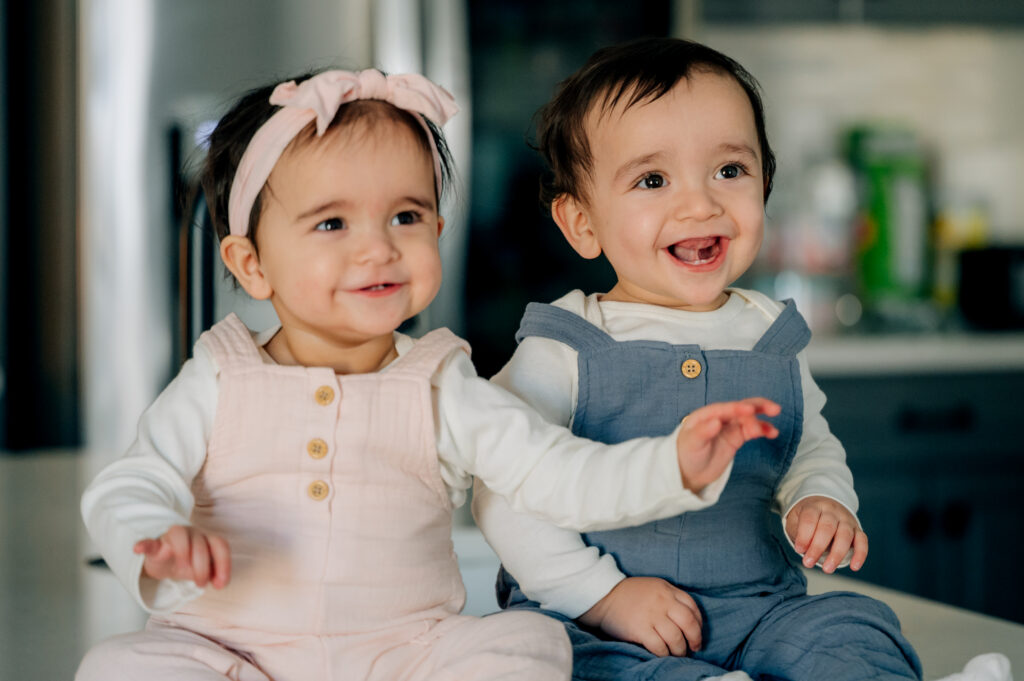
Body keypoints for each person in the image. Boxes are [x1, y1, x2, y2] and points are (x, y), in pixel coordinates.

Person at [75, 67, 783, 681]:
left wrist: (673, 465)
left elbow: (561, 475)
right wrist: (155, 535)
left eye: (406, 215)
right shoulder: (220, 376)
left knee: (527, 646)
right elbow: (132, 481)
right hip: (227, 648)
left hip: (402, 654)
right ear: (251, 264)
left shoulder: (443, 384)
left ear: (436, 233)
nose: (378, 249)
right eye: (332, 224)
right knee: (114, 665)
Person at [471, 37, 934, 681]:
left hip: (760, 611)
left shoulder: (771, 335)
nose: (700, 204)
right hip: (594, 625)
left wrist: (820, 497)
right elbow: (500, 492)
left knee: (851, 628)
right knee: (550, 665)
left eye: (729, 171)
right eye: (653, 180)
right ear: (581, 223)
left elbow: (808, 445)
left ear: (764, 185)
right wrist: (600, 597)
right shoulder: (565, 344)